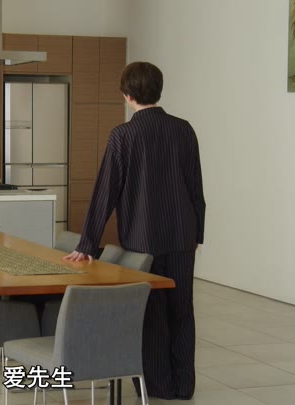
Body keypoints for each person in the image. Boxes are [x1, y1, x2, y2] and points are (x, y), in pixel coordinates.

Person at [64, 62, 205, 400]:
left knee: (151, 310)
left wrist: (87, 244)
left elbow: (106, 192)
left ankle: (158, 386)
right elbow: (195, 186)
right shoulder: (184, 129)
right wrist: (197, 233)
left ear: (127, 96)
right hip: (182, 235)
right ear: (159, 90)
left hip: (142, 240)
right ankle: (183, 385)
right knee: (182, 309)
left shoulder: (123, 135)